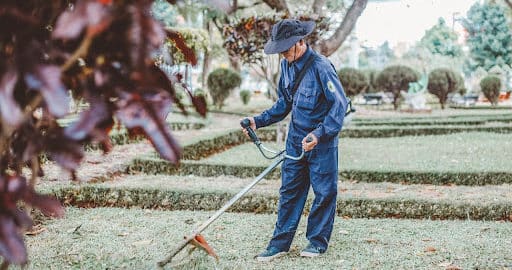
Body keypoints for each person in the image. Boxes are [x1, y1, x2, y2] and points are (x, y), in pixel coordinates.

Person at [241, 19, 349, 261]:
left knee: (324, 192)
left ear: (301, 42)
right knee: (289, 192)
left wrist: (319, 134)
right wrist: (258, 121)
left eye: (286, 48)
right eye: (280, 49)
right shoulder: (286, 67)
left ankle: (317, 242)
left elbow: (339, 106)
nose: (283, 53)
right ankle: (279, 243)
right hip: (295, 142)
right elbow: (284, 104)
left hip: (320, 142)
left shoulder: (322, 67)